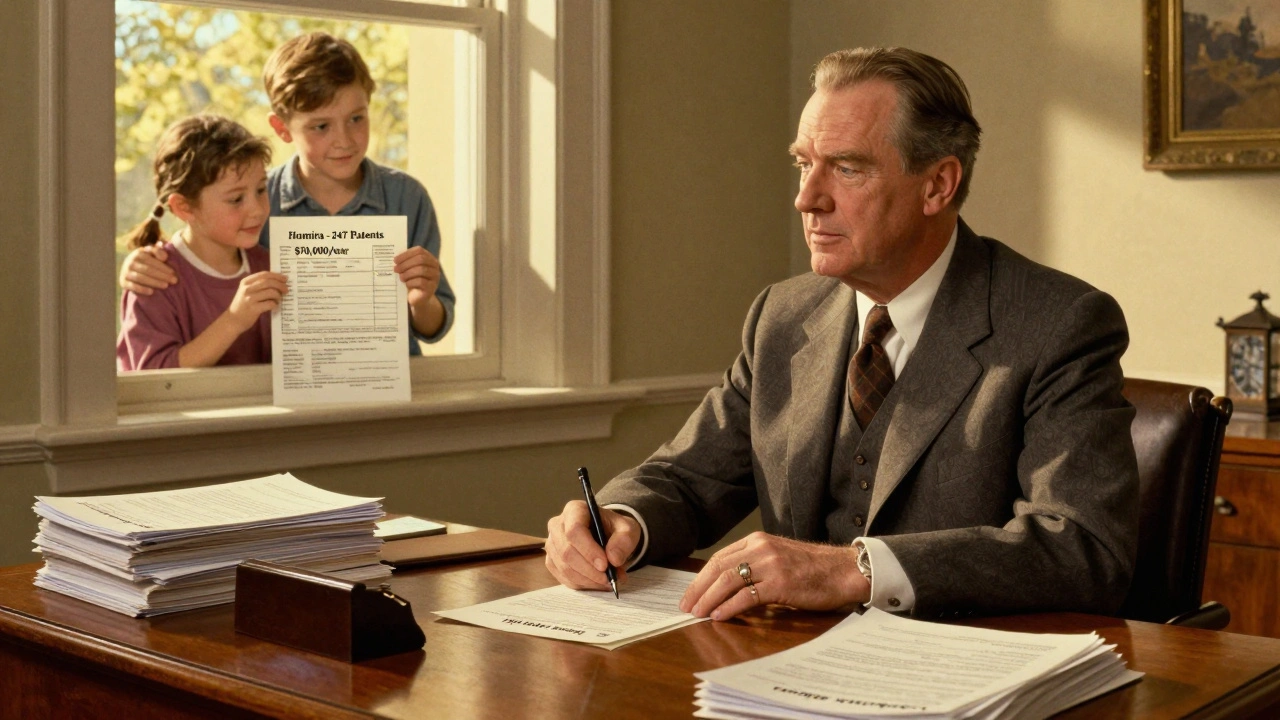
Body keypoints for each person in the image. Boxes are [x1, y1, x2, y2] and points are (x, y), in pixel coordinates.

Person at [544, 47, 1139, 622]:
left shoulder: (1059, 323)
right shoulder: (782, 315)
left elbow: (1081, 547)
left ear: (937, 185)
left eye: (847, 168)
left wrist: (856, 570)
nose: (806, 199)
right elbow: (689, 479)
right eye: (804, 164)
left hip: (962, 664)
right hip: (788, 660)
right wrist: (620, 520)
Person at [118, 32, 455, 354]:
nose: (344, 140)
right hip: (290, 383)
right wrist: (140, 265)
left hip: (389, 383)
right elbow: (201, 245)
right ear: (281, 128)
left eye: (356, 118)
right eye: (321, 126)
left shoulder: (406, 197)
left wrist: (421, 300)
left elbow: (433, 327)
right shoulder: (258, 203)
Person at [117, 115, 286, 370]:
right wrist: (234, 320)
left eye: (261, 190)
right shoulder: (153, 279)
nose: (258, 209)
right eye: (236, 199)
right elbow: (156, 380)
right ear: (183, 207)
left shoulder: (271, 266)